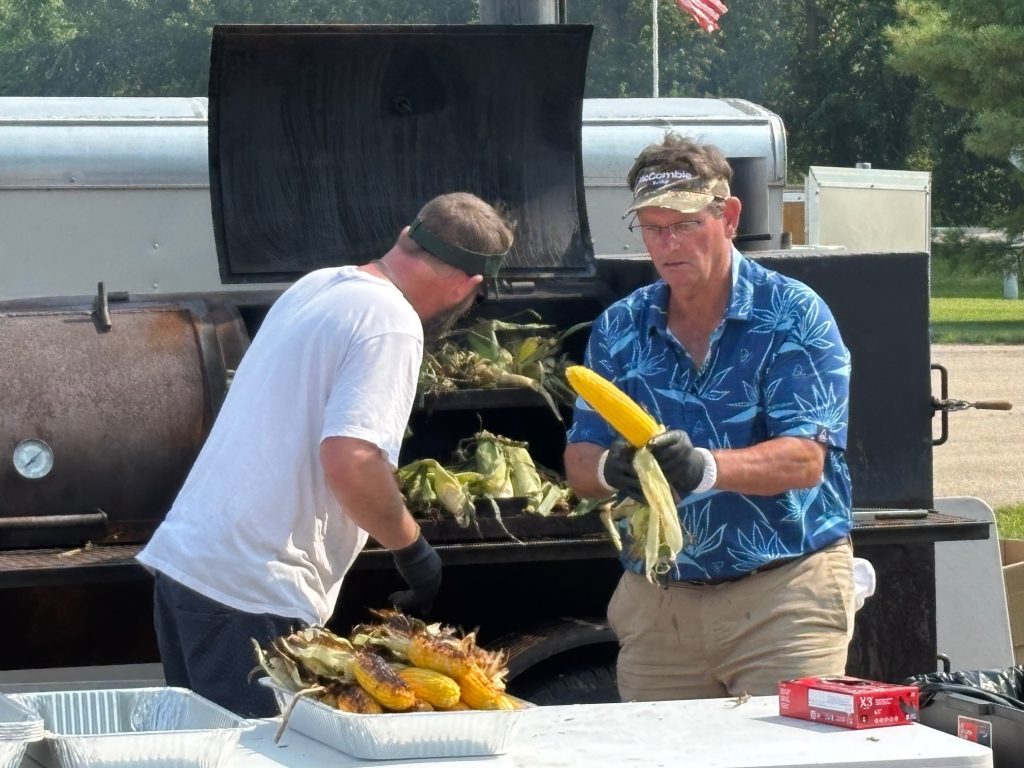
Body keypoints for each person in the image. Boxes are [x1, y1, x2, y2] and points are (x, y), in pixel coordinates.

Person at [137, 192, 515, 717]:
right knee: (267, 752)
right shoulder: (391, 322)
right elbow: (352, 459)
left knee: (207, 748)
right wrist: (413, 550)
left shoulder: (318, 285)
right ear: (467, 285)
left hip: (191, 567)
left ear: (406, 236)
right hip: (254, 588)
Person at [563, 134, 854, 702]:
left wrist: (702, 468)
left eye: (685, 224)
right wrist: (608, 469)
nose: (667, 243)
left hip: (782, 596)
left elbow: (804, 459)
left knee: (788, 749)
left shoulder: (793, 313)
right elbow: (579, 460)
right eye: (652, 228)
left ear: (729, 217)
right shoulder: (619, 326)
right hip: (660, 605)